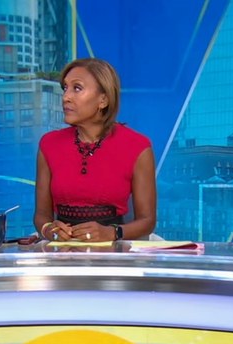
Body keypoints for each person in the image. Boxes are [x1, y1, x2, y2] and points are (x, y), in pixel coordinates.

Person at [33, 58, 156, 242]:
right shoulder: (49, 144)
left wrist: (112, 233)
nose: (66, 97)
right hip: (62, 254)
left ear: (103, 99)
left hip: (114, 255)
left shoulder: (138, 147)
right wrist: (49, 229)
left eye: (77, 88)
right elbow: (41, 215)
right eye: (65, 88)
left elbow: (147, 221)